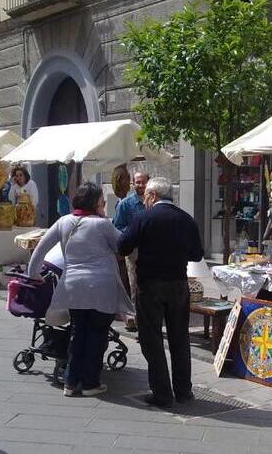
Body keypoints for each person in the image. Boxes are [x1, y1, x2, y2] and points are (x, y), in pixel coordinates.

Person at [27, 182, 132, 397]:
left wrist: (33, 274)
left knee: (77, 332)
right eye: (102, 200)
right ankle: (90, 383)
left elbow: (40, 249)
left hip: (73, 286)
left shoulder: (64, 221)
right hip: (101, 287)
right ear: (95, 202)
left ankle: (71, 381)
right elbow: (121, 246)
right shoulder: (102, 224)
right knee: (97, 334)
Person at [118, 177, 204, 408]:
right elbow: (197, 254)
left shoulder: (143, 218)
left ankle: (162, 393)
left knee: (152, 339)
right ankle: (184, 391)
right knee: (179, 337)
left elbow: (123, 246)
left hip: (150, 284)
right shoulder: (187, 220)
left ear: (153, 195)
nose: (144, 199)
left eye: (146, 195)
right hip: (178, 284)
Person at [113, 171, 149, 332]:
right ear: (133, 184)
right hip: (134, 251)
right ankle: (137, 318)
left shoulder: (153, 202)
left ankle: (148, 316)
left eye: (143, 182)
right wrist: (133, 232)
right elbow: (117, 226)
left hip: (152, 250)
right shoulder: (125, 204)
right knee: (135, 285)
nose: (140, 185)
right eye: (137, 182)